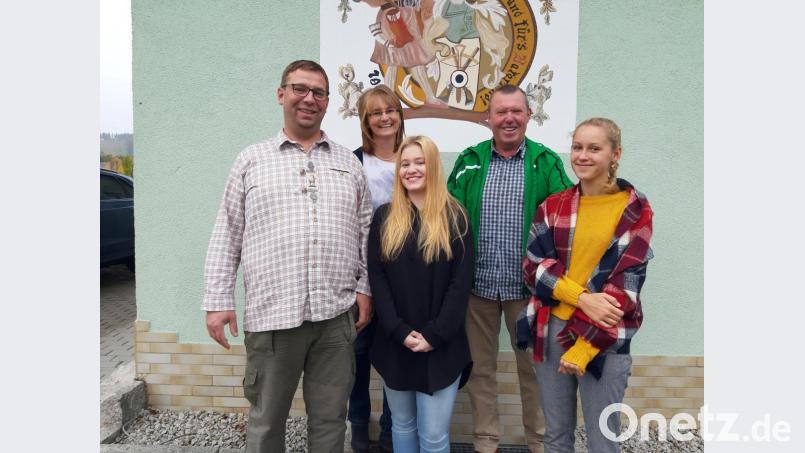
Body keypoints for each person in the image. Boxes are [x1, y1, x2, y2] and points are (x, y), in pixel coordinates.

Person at [201, 60, 373, 453]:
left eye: (319, 92)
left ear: (327, 102)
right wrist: (218, 301)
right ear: (281, 94)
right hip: (273, 318)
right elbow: (227, 232)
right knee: (266, 421)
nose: (309, 99)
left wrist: (365, 288)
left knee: (330, 419)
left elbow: (365, 232)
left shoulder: (348, 162)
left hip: (335, 317)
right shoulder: (251, 160)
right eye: (300, 89)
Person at [447, 84, 573, 453]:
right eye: (500, 112)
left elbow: (566, 223)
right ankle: (486, 441)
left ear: (529, 115)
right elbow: (448, 216)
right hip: (477, 287)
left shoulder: (546, 162)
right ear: (488, 118)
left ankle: (539, 442)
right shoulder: (470, 160)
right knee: (481, 369)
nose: (509, 119)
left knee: (534, 370)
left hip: (528, 292)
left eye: (516, 111)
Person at [517, 118, 654, 452]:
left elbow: (627, 283)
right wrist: (581, 297)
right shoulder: (553, 206)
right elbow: (532, 268)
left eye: (594, 148)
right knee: (556, 436)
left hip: (605, 334)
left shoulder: (634, 209)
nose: (582, 155)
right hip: (551, 330)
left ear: (615, 154)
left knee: (603, 440)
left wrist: (584, 348)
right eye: (577, 147)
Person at [368, 135, 474, 453]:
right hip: (395, 342)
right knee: (402, 425)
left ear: (433, 167)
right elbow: (378, 280)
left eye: (419, 162)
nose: (411, 170)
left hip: (442, 345)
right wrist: (399, 331)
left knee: (433, 436)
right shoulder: (385, 218)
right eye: (405, 164)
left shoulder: (456, 218)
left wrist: (434, 334)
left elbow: (460, 284)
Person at [348, 84, 406, 453]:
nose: (384, 117)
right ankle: (357, 421)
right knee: (358, 353)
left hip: (403, 278)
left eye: (390, 110)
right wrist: (360, 282)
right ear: (365, 121)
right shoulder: (354, 162)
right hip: (361, 274)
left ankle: (390, 429)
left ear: (400, 115)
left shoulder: (413, 157)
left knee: (394, 355)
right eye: (375, 113)